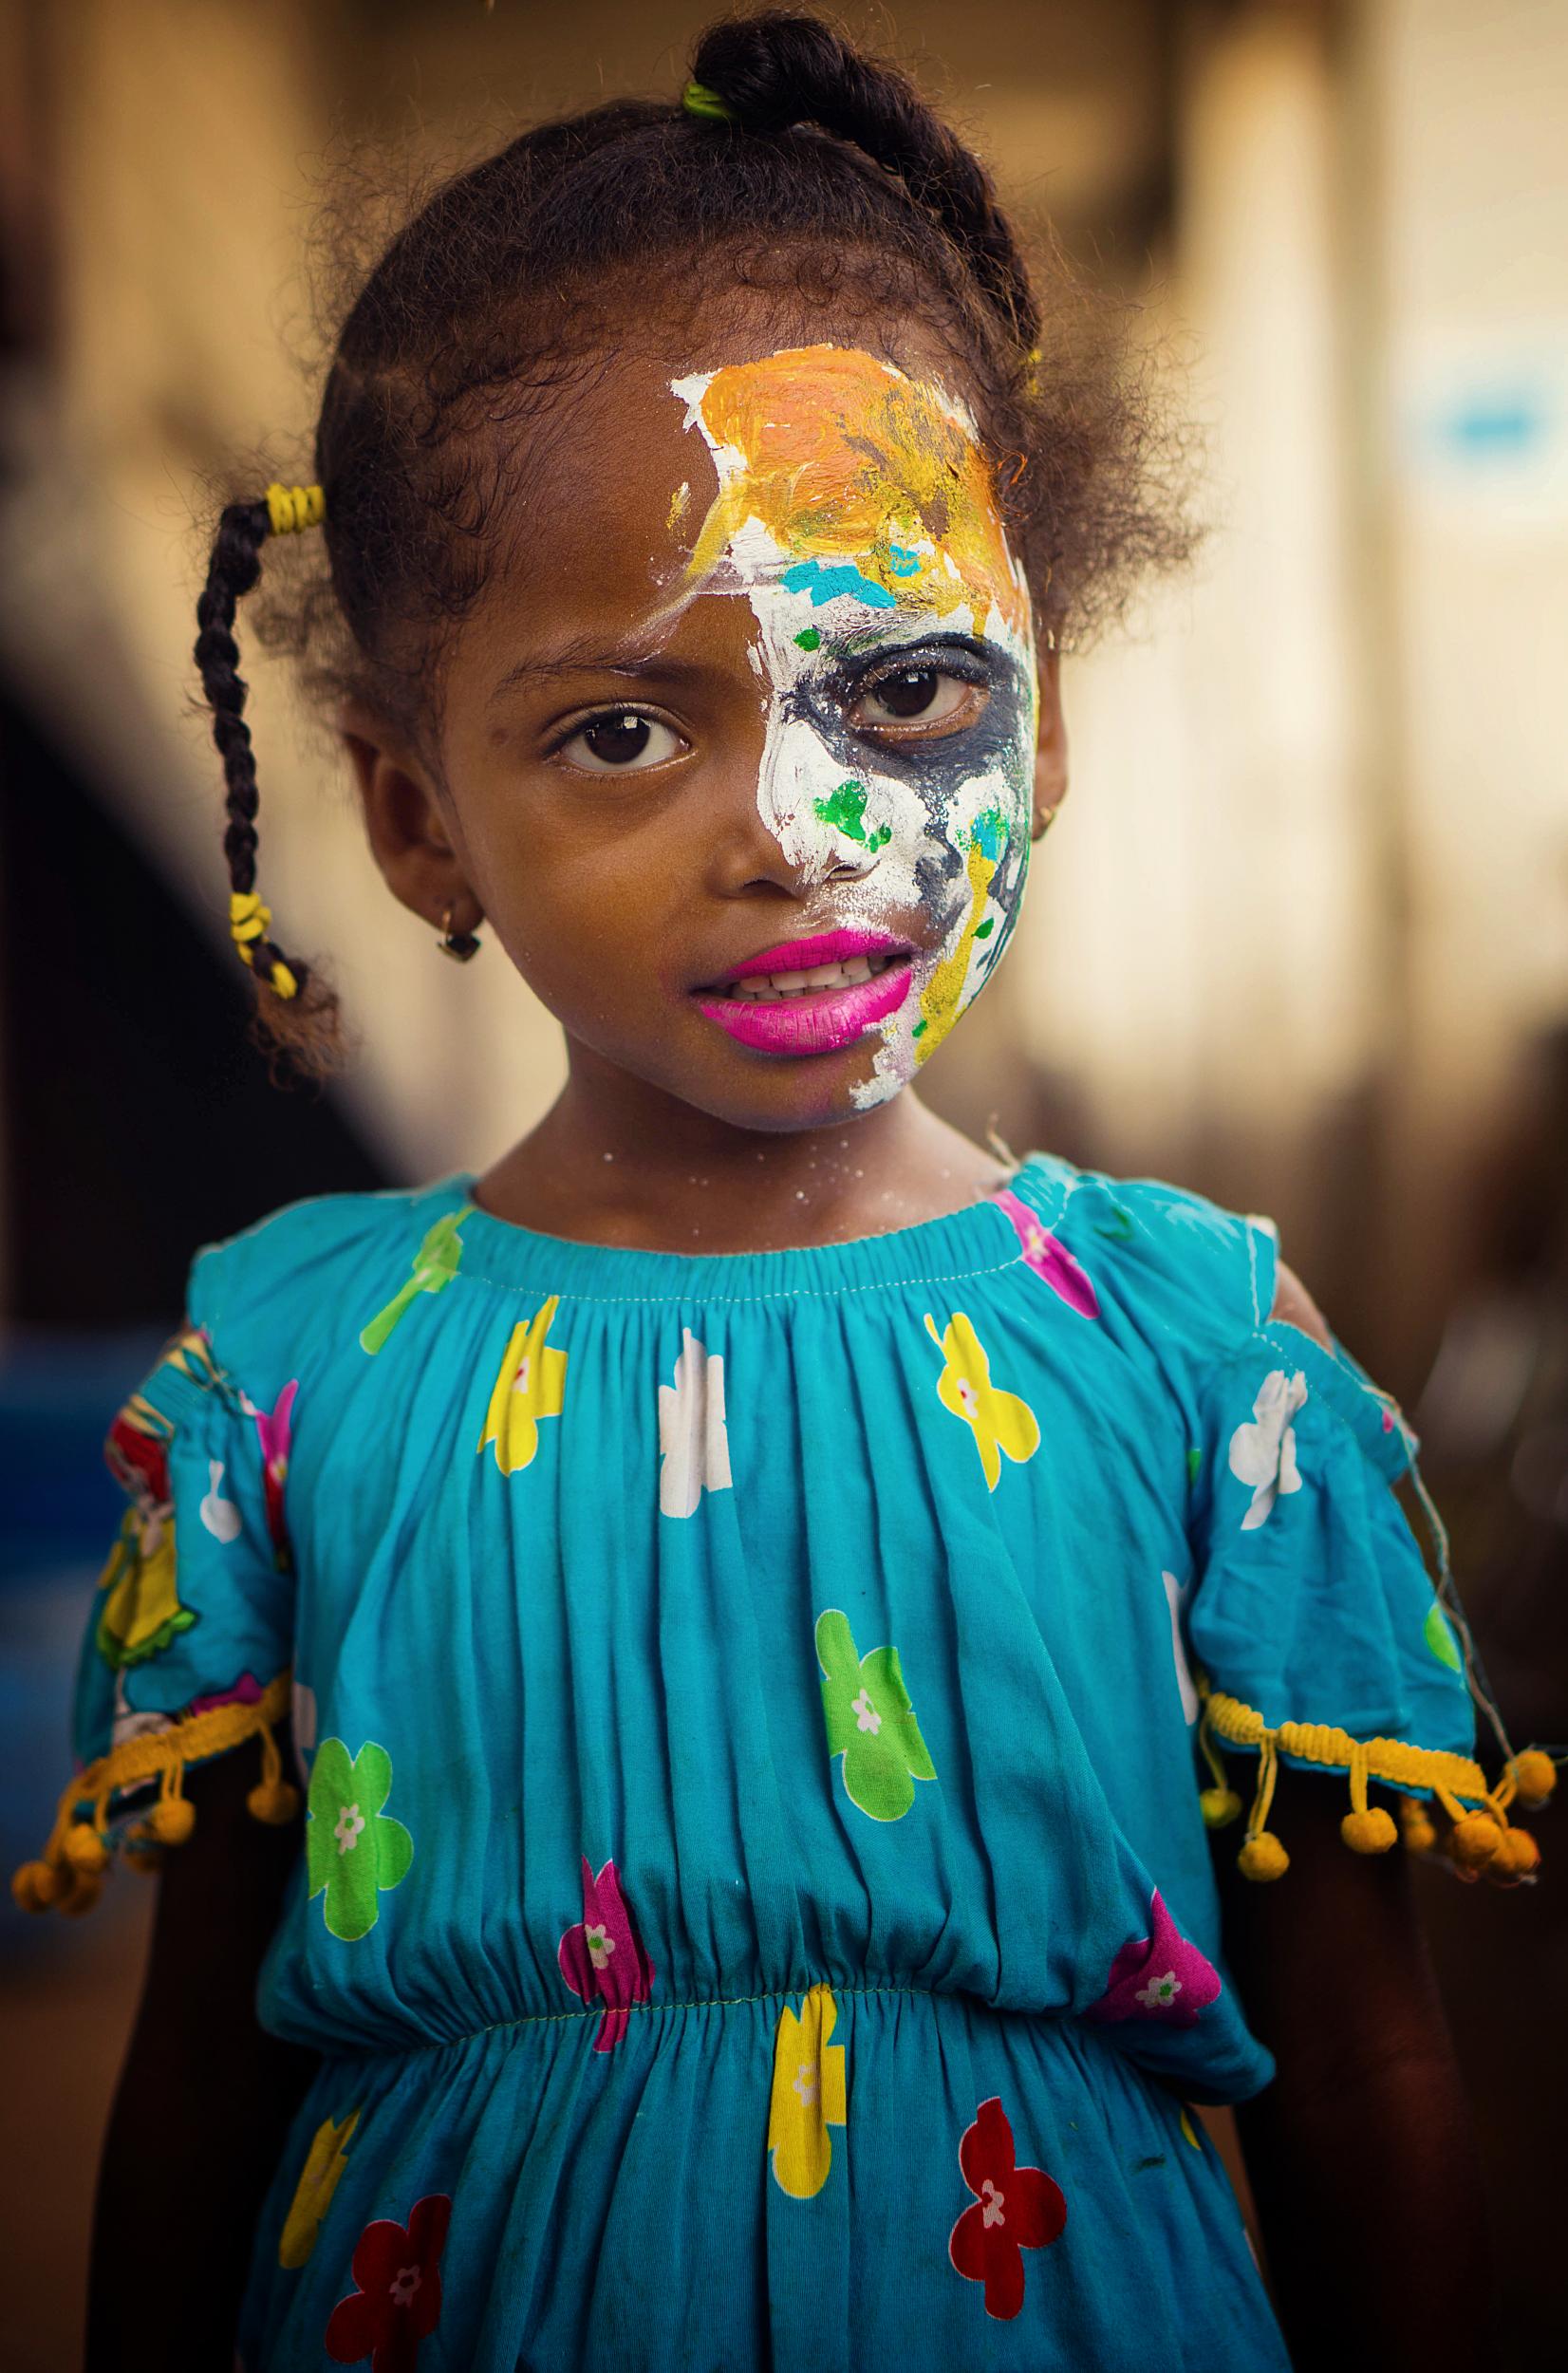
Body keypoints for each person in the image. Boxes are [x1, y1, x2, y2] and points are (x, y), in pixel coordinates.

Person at [14, 15, 1554, 2370]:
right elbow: (208, 2073)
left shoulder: (1208, 1365)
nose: (799, 829)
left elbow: (1365, 2068)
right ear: (415, 814)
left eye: (914, 695)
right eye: (626, 727)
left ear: (1052, 717)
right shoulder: (297, 1378)